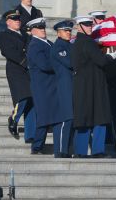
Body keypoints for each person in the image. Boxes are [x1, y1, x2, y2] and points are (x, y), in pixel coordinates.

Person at [71, 16, 116, 158]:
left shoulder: (76, 42)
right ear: (79, 26)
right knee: (99, 118)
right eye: (86, 25)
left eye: (90, 24)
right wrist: (111, 56)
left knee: (83, 119)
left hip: (82, 86)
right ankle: (97, 151)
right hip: (93, 86)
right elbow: (101, 61)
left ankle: (80, 151)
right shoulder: (88, 42)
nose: (89, 27)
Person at [26, 18, 64, 157]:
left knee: (54, 117)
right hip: (43, 88)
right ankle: (36, 146)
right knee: (44, 118)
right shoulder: (35, 45)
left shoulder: (48, 43)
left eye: (43, 27)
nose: (43, 30)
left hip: (52, 86)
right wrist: (60, 63)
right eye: (39, 28)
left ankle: (58, 148)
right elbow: (45, 65)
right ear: (32, 31)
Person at [0, 10, 36, 142]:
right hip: (16, 69)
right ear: (8, 22)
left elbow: (31, 48)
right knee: (23, 97)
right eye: (14, 19)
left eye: (19, 19)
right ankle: (13, 119)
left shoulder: (25, 34)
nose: (18, 21)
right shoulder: (4, 35)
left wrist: (30, 37)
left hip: (28, 70)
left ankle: (30, 134)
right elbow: (8, 51)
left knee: (32, 101)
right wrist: (25, 62)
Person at [49, 20, 75, 158]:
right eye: (66, 31)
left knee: (71, 119)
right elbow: (71, 63)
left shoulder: (68, 45)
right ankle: (60, 150)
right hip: (64, 87)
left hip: (71, 86)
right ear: (59, 32)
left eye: (70, 30)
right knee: (66, 119)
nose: (69, 33)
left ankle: (67, 149)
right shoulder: (59, 47)